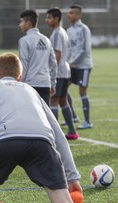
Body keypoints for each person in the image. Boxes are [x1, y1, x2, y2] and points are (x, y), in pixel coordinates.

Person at [0, 52, 85, 203]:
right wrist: (72, 177)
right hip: (43, 143)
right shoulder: (31, 91)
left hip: (8, 141)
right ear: (19, 76)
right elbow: (58, 133)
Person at [45, 8, 79, 140]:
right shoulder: (63, 32)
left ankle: (54, 134)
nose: (47, 20)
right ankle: (72, 131)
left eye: (49, 17)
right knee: (63, 101)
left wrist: (51, 72)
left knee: (54, 100)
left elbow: (57, 54)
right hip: (65, 71)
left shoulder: (57, 33)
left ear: (56, 19)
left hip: (59, 72)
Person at [18, 9, 57, 106]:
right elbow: (53, 63)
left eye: (21, 21)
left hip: (31, 84)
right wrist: (52, 83)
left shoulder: (24, 40)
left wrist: (21, 83)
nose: (20, 24)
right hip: (45, 83)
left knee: (31, 116)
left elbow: (24, 64)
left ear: (28, 23)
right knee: (44, 116)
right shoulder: (46, 40)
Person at [67, 5, 93, 129]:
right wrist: (67, 61)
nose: (69, 15)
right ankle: (73, 116)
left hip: (83, 66)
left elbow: (84, 50)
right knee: (62, 89)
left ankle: (87, 121)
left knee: (82, 91)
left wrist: (73, 62)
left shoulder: (84, 29)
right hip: (71, 64)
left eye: (71, 13)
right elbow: (69, 48)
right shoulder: (69, 30)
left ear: (78, 15)